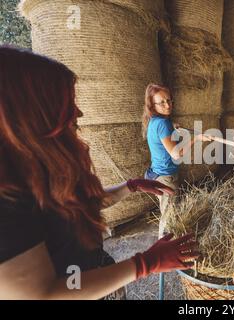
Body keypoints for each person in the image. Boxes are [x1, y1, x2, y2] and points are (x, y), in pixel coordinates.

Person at [0, 46, 199, 300]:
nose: (78, 112)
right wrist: (144, 264)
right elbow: (44, 294)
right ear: (28, 113)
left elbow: (78, 206)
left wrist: (130, 186)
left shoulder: (40, 164)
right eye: (63, 104)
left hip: (98, 278)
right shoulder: (7, 196)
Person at [142, 84, 211, 236]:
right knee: (168, 218)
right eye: (161, 102)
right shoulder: (162, 124)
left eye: (169, 100)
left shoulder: (154, 121)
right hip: (165, 177)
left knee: (169, 212)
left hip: (158, 173)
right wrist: (196, 138)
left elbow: (163, 133)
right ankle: (164, 248)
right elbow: (176, 154)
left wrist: (173, 126)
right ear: (152, 105)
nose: (167, 105)